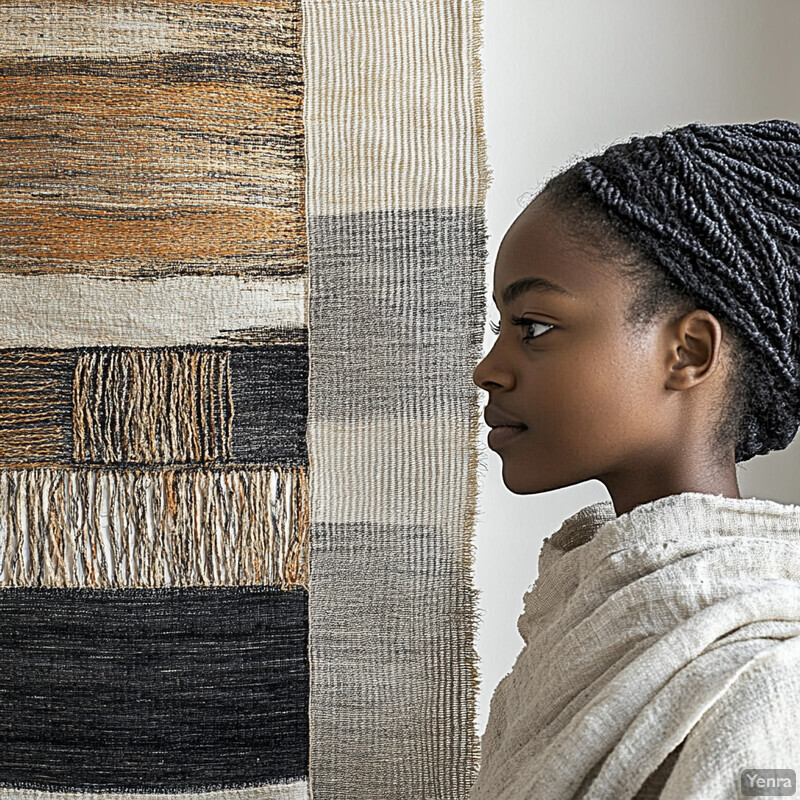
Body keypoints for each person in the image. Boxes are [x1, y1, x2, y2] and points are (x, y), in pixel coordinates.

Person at [469, 119, 800, 799]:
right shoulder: (570, 641)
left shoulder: (758, 683)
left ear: (688, 353)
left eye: (533, 327)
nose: (488, 369)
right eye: (500, 328)